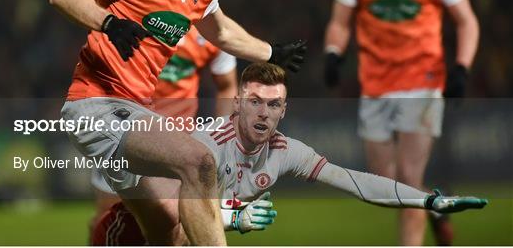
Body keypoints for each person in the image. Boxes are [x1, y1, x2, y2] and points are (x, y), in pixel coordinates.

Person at [49, 0, 306, 246]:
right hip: (98, 106)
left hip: (135, 114)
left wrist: (270, 52)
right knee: (200, 161)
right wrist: (108, 22)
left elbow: (221, 31)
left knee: (172, 232)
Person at [92, 62, 487, 246]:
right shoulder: (204, 145)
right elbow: (174, 216)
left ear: (285, 110)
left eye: (274, 105)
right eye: (255, 102)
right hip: (131, 236)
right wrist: (234, 216)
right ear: (237, 104)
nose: (264, 113)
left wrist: (428, 199)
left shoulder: (286, 151)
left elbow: (355, 182)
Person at [323, 0, 480, 245]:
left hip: (422, 82)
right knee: (384, 183)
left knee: (408, 178)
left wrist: (461, 68)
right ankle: (437, 207)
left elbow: (467, 22)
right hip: (375, 84)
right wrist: (333, 52)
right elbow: (340, 22)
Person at [89, 26, 238, 242]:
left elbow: (227, 86)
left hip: (179, 143)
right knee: (109, 218)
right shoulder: (135, 16)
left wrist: (220, 136)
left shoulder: (213, 31)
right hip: (126, 137)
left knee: (178, 229)